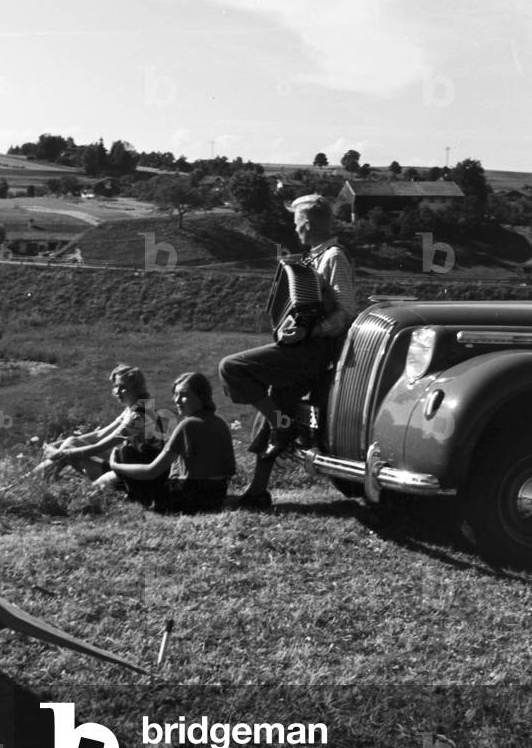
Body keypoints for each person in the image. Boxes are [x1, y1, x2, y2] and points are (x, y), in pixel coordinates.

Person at [218, 194, 357, 508]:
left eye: (297, 224)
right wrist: (291, 327)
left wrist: (311, 330)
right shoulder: (315, 257)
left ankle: (284, 423)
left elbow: (347, 312)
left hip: (314, 353)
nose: (295, 231)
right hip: (306, 348)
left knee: (232, 368)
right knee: (275, 406)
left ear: (307, 224)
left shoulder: (333, 257)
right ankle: (257, 492)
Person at [109, 371, 236, 514]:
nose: (177, 400)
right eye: (175, 394)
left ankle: (141, 501)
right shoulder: (219, 422)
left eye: (184, 395)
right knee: (147, 452)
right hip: (216, 496)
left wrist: (116, 466)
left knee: (127, 452)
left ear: (201, 396)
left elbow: (152, 471)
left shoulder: (189, 424)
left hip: (190, 499)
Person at [33, 364, 164, 503]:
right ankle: (34, 479)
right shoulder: (136, 406)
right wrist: (59, 445)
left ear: (136, 388)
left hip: (133, 477)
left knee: (68, 451)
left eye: (123, 387)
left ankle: (32, 480)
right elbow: (100, 434)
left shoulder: (140, 416)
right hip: (128, 464)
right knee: (71, 443)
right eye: (116, 386)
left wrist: (61, 453)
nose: (118, 391)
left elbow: (100, 446)